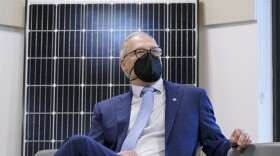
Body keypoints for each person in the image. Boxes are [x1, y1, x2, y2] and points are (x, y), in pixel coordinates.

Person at [55, 32, 252, 156]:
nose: (150, 57)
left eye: (155, 52)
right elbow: (92, 151)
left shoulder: (192, 97)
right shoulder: (105, 108)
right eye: (140, 53)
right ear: (123, 64)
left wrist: (233, 142)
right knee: (78, 144)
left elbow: (215, 146)